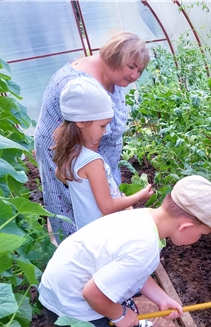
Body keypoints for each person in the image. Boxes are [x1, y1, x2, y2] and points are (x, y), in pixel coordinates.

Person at [38, 175, 211, 327]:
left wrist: (162, 298)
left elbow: (133, 273)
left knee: (128, 313)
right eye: (202, 234)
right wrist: (120, 315)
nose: (199, 240)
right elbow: (92, 294)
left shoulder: (144, 218)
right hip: (71, 304)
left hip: (67, 282)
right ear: (185, 227)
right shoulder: (144, 247)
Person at [34, 31, 150, 242]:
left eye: (140, 70)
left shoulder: (111, 77)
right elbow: (104, 203)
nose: (135, 76)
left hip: (94, 164)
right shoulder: (80, 87)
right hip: (72, 158)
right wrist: (137, 195)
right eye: (131, 67)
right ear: (114, 58)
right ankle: (73, 250)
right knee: (74, 208)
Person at [51, 77, 153, 231]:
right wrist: (140, 195)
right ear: (81, 122)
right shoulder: (92, 162)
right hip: (104, 230)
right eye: (102, 125)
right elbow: (107, 206)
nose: (105, 131)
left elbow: (60, 175)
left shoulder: (70, 153)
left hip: (87, 230)